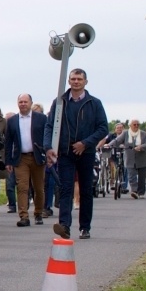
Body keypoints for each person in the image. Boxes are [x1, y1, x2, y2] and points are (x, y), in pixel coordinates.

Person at [45, 68, 109, 240]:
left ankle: (85, 227)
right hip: (66, 152)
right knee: (65, 188)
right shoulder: (59, 102)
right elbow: (50, 126)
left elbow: (103, 128)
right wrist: (48, 147)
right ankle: (64, 226)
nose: (76, 82)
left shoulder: (94, 103)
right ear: (69, 81)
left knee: (86, 190)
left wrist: (85, 143)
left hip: (86, 152)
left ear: (85, 82)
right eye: (73, 79)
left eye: (79, 79)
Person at [4, 93, 49, 226]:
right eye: (20, 102)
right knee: (22, 187)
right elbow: (8, 142)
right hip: (21, 158)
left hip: (37, 157)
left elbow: (48, 136)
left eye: (25, 102)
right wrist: (8, 161)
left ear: (31, 103)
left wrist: (48, 152)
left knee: (38, 188)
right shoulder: (12, 120)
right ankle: (23, 216)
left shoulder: (41, 118)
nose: (23, 104)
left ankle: (38, 213)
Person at [123, 119, 146, 199]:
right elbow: (117, 140)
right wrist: (108, 145)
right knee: (131, 176)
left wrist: (140, 147)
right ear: (130, 125)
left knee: (142, 177)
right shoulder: (126, 133)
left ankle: (141, 192)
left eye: (138, 124)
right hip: (130, 158)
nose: (136, 126)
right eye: (134, 124)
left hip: (141, 158)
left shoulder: (143, 134)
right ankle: (134, 191)